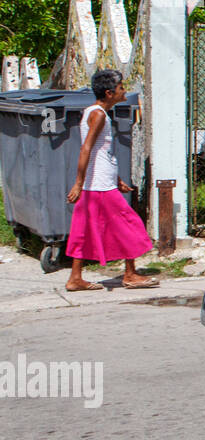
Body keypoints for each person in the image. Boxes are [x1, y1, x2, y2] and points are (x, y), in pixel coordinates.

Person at [66, 69, 157, 291]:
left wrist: (116, 179)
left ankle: (75, 278)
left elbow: (100, 153)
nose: (124, 90)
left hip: (98, 184)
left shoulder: (94, 112)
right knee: (128, 224)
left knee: (84, 229)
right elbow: (86, 148)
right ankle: (130, 274)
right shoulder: (98, 115)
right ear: (109, 93)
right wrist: (78, 183)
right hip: (99, 187)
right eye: (121, 87)